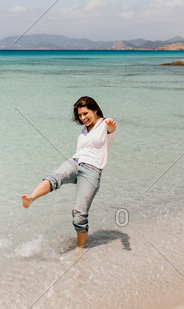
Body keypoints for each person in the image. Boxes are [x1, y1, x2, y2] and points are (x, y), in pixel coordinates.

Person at [21, 96, 117, 248]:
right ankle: (31, 198)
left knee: (79, 214)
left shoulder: (105, 123)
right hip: (75, 162)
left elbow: (111, 130)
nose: (83, 118)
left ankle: (80, 249)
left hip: (92, 171)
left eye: (85, 113)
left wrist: (111, 126)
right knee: (55, 176)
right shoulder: (84, 129)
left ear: (95, 110)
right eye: (80, 115)